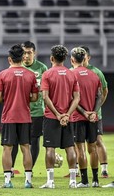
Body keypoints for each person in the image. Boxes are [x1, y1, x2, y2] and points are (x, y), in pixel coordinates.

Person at [0, 44, 38, 188]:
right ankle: (28, 181)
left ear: (9, 59)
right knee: (26, 147)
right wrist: (24, 98)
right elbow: (35, 97)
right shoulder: (31, 75)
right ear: (22, 57)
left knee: (7, 148)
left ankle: (7, 181)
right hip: (25, 116)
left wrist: (9, 99)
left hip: (9, 116)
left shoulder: (3, 74)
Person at [40, 45, 80, 189]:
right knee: (70, 147)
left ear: (51, 58)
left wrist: (57, 114)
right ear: (66, 59)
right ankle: (73, 181)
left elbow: (45, 97)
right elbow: (76, 98)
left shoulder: (47, 74)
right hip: (68, 118)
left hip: (52, 117)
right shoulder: (72, 74)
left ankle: (50, 182)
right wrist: (67, 114)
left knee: (50, 148)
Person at [10, 41, 48, 177]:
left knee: (34, 140)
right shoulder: (15, 68)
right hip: (18, 111)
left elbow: (46, 92)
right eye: (24, 53)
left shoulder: (42, 68)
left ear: (34, 53)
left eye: (29, 53)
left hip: (36, 112)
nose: (26, 56)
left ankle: (29, 170)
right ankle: (11, 169)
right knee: (13, 141)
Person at [69, 47, 103, 188]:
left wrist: (84, 113)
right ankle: (95, 180)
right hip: (92, 118)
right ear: (85, 59)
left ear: (72, 60)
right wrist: (93, 112)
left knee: (80, 149)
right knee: (93, 148)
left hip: (78, 118)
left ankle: (84, 181)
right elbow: (100, 96)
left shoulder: (71, 75)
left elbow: (72, 98)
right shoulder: (94, 75)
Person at [80, 46, 110, 178]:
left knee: (97, 141)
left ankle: (104, 169)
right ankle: (77, 169)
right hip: (79, 114)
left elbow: (104, 91)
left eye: (84, 55)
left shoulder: (96, 72)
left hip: (94, 115)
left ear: (89, 57)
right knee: (79, 143)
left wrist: (95, 110)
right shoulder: (73, 71)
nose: (82, 57)